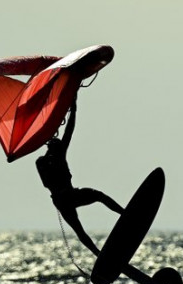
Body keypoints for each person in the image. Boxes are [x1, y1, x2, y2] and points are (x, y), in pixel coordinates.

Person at [36, 98, 123, 256]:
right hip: (66, 197)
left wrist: (73, 109)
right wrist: (73, 109)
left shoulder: (54, 156)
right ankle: (122, 215)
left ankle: (99, 252)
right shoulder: (45, 161)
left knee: (81, 224)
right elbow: (46, 182)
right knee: (96, 198)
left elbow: (69, 130)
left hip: (62, 200)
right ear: (51, 147)